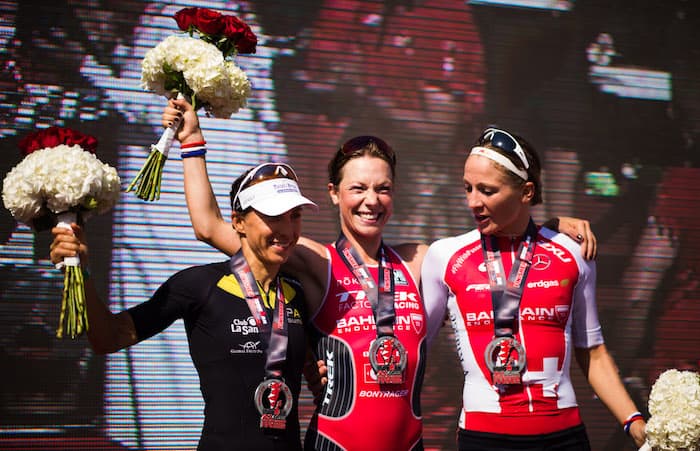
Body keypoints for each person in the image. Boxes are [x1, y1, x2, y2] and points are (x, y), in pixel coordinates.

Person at [161, 99, 597, 450]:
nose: (371, 200)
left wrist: (552, 225)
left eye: (382, 188)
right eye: (358, 188)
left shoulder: (423, 259)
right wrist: (193, 141)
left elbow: (496, 234)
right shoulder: (317, 263)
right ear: (333, 194)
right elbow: (208, 226)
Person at [49, 160, 319, 450]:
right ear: (238, 222)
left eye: (295, 215)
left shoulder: (298, 295)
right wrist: (79, 272)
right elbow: (108, 337)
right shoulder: (198, 285)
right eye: (273, 216)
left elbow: (316, 375)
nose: (288, 229)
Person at [420, 127, 647, 450]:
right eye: (468, 188)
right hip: (486, 437)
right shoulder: (445, 256)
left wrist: (634, 423)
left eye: (487, 190)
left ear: (526, 192)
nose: (474, 202)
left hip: (564, 438)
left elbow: (593, 351)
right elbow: (417, 348)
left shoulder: (573, 252)